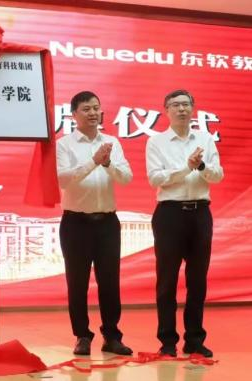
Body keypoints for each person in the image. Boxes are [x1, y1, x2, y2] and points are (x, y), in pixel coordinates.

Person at [146, 89, 223, 358]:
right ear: (166, 110)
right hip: (170, 214)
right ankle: (167, 341)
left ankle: (194, 339)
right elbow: (155, 178)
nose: (181, 109)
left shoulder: (205, 139)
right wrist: (186, 168)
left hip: (200, 214)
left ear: (193, 108)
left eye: (186, 104)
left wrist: (201, 167)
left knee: (197, 280)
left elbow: (218, 175)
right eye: (175, 105)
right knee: (167, 280)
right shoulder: (156, 142)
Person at [56, 91, 133, 356]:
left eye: (96, 108)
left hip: (107, 223)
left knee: (110, 281)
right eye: (86, 109)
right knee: (77, 282)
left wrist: (107, 162)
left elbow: (126, 178)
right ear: (74, 115)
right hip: (75, 223)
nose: (92, 113)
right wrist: (93, 162)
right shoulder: (64, 144)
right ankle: (82, 336)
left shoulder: (112, 143)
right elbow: (64, 179)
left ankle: (112, 335)